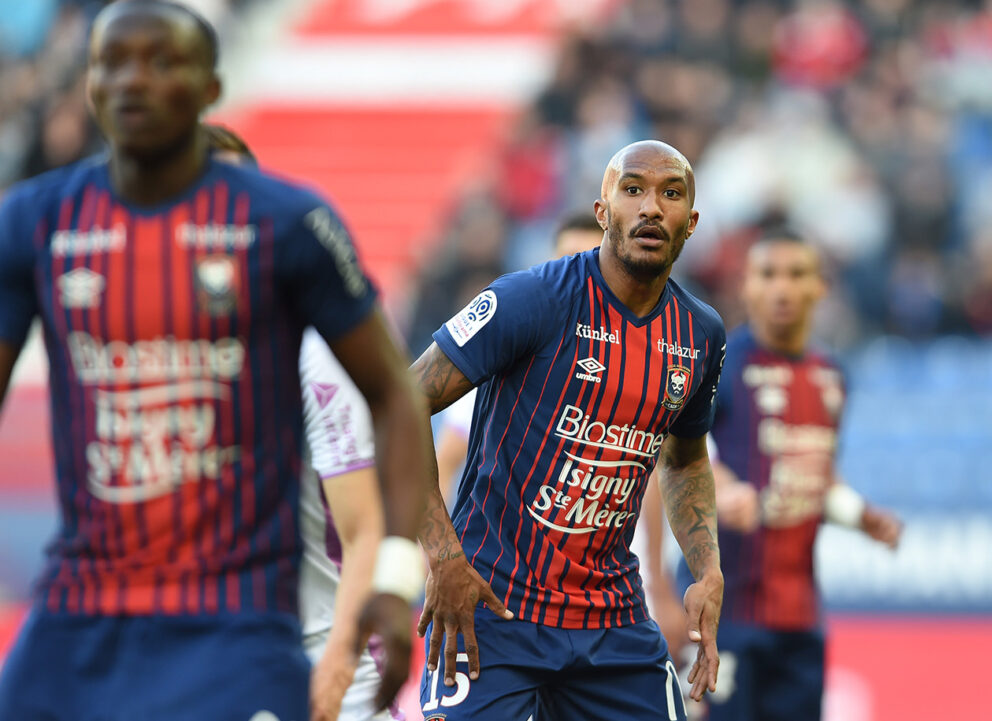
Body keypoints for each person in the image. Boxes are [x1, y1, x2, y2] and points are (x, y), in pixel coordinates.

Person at [0, 3, 431, 719]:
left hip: (236, 619)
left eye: (161, 62)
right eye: (111, 62)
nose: (132, 80)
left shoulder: (289, 225)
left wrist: (394, 574)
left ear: (208, 87)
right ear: (88, 84)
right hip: (83, 606)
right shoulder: (35, 221)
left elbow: (396, 393)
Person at [412, 139, 728, 720]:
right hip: (494, 608)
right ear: (604, 211)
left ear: (692, 222)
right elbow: (402, 406)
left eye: (670, 193)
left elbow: (684, 460)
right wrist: (442, 556)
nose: (651, 207)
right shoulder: (529, 299)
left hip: (613, 622)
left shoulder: (701, 334)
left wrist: (706, 570)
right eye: (632, 190)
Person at [646, 226, 903, 721]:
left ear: (819, 287)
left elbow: (815, 474)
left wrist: (861, 516)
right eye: (768, 274)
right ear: (746, 286)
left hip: (801, 618)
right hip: (725, 611)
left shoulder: (831, 375)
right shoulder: (714, 366)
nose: (782, 287)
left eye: (796, 274)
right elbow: (668, 460)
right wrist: (663, 586)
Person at [203, 121, 407, 721]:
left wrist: (338, 661)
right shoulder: (159, 349)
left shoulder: (314, 355)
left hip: (315, 649)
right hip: (204, 656)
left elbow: (363, 526)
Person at [433, 210, 607, 503]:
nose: (580, 273)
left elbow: (678, 466)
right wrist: (438, 548)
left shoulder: (646, 358)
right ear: (551, 263)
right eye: (568, 259)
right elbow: (445, 459)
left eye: (591, 260)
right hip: (507, 544)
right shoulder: (504, 352)